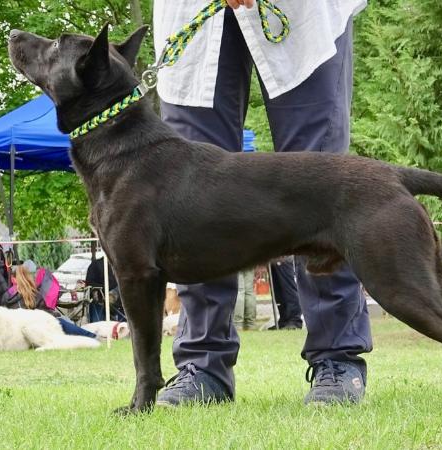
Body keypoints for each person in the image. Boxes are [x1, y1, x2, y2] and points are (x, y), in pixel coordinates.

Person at [154, 0, 372, 407]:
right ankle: (203, 365)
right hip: (191, 15)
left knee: (322, 186)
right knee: (191, 196)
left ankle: (338, 357)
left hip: (305, 13)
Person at [2, 259, 99, 340]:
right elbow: (45, 313)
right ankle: (92, 337)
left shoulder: (6, 296)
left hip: (19, 329)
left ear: (13, 279)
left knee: (61, 321)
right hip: (39, 325)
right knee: (61, 321)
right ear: (28, 277)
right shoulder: (33, 293)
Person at [268, 257, 302, 330]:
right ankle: (284, 320)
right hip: (273, 255)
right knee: (277, 289)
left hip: (283, 255)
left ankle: (294, 320)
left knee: (288, 288)